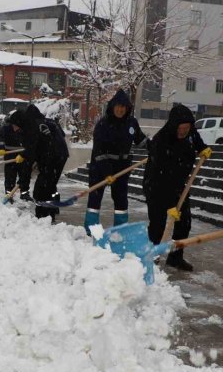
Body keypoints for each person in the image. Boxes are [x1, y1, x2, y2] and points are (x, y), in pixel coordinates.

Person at [142, 104, 211, 271]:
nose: (184, 132)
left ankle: (175, 258)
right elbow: (162, 177)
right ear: (174, 126)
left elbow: (195, 138)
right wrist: (172, 204)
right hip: (157, 186)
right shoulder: (161, 141)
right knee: (158, 224)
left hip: (180, 185)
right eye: (181, 128)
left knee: (184, 223)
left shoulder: (190, 132)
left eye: (186, 128)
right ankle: (152, 257)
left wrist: (203, 148)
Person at [83, 89, 146, 234]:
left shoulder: (132, 123)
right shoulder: (103, 124)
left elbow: (141, 140)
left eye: (123, 106)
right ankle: (92, 230)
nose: (120, 109)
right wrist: (107, 173)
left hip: (122, 168)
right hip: (100, 168)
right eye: (118, 106)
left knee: (121, 200)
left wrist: (154, 149)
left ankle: (120, 230)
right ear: (112, 106)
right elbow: (99, 151)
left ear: (127, 108)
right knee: (95, 198)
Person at [9, 104, 69, 222]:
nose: (13, 128)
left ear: (20, 123)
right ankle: (51, 212)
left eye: (14, 125)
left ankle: (43, 217)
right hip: (61, 154)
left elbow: (30, 156)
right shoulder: (47, 122)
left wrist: (22, 180)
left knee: (40, 189)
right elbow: (61, 135)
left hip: (51, 156)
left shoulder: (30, 128)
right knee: (49, 185)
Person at [0, 114, 33, 203]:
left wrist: (23, 154)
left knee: (24, 176)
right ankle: (9, 194)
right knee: (10, 176)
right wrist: (1, 148)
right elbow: (0, 139)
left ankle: (24, 193)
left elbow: (29, 142)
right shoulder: (5, 128)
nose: (15, 127)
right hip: (9, 155)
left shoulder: (25, 129)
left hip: (22, 155)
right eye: (14, 125)